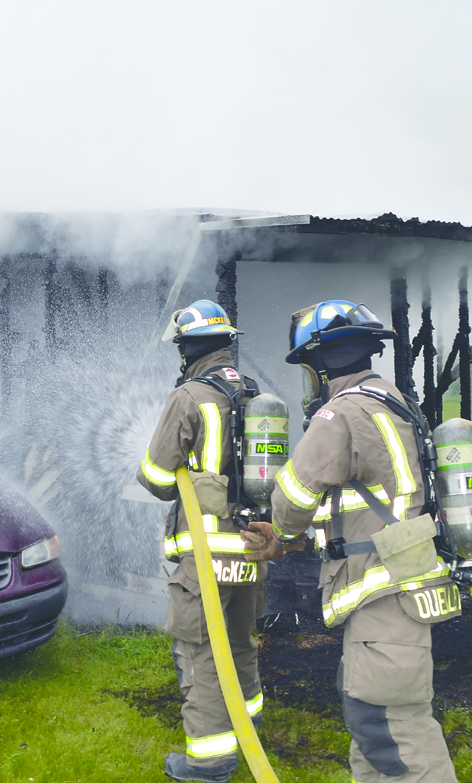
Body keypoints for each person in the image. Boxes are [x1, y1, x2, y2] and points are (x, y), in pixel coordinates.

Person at [242, 300, 461, 783]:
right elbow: (364, 499)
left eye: (307, 370)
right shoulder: (393, 401)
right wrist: (301, 542)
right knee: (370, 718)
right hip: (402, 579)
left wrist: (281, 533)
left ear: (322, 365)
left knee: (393, 730)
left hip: (385, 590)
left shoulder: (339, 414)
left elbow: (294, 493)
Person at [136, 299, 267, 783]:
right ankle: (246, 726)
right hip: (250, 550)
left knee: (198, 649)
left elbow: (155, 475)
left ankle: (210, 760)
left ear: (186, 348)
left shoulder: (189, 396)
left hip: (206, 554)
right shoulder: (254, 395)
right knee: (238, 641)